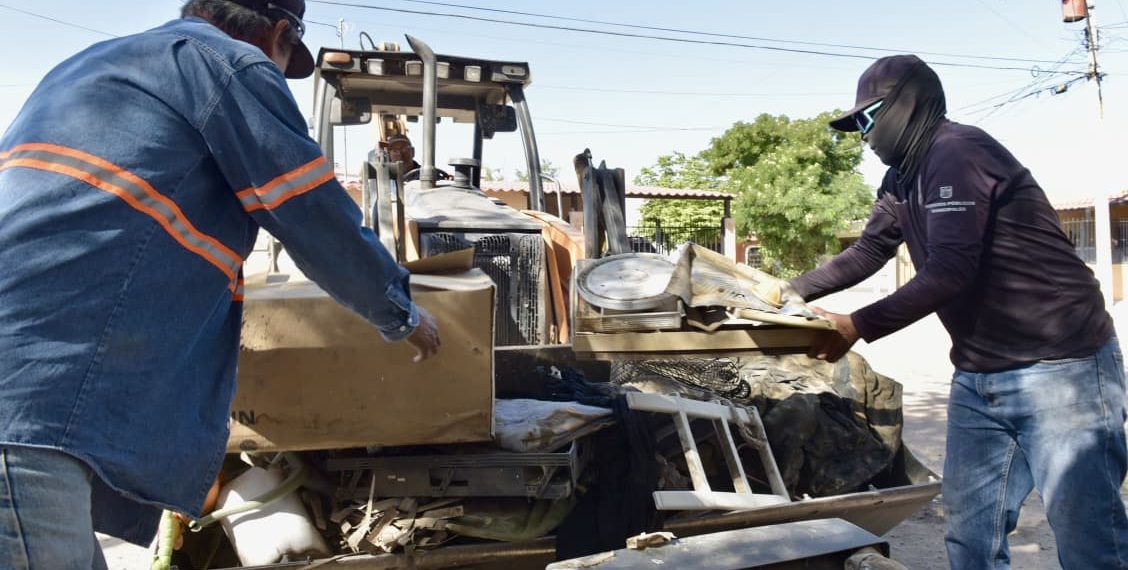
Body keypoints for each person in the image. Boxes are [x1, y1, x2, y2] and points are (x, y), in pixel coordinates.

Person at [0, 1, 440, 568]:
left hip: (35, 396)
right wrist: (400, 312)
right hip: (34, 404)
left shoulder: (89, 67)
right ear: (279, 33)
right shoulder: (229, 65)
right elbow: (310, 211)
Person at [790, 54, 1128, 569]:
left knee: (1090, 541)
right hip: (979, 376)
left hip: (1063, 369)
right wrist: (780, 294)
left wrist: (857, 325)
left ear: (907, 103)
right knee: (970, 536)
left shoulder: (957, 152)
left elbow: (949, 271)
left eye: (868, 118)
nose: (865, 135)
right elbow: (866, 253)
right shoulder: (900, 180)